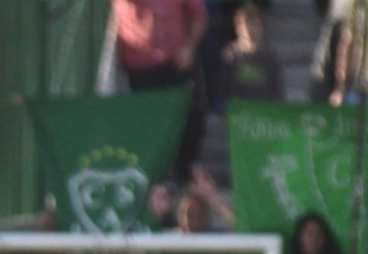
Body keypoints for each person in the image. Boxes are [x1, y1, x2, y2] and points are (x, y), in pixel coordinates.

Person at [111, 0, 212, 183]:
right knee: (147, 125)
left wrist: (189, 47)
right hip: (141, 67)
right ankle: (154, 177)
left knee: (195, 111)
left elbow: (199, 17)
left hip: (175, 62)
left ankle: (186, 169)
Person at [218, 1, 286, 103]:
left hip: (263, 111)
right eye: (247, 23)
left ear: (262, 26)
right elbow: (222, 92)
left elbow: (277, 94)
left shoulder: (271, 58)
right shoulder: (230, 56)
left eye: (255, 24)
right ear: (238, 27)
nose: (250, 29)